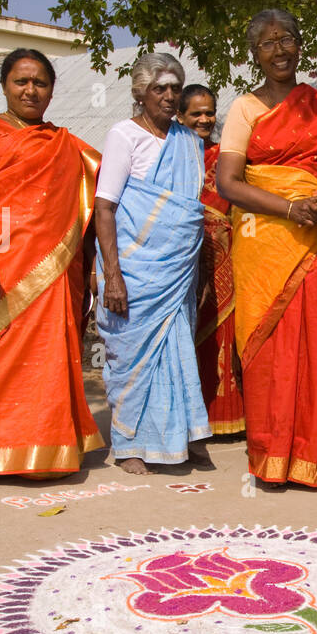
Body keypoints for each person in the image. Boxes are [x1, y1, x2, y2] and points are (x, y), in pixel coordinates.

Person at [0, 48, 104, 495]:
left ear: (52, 90)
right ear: (4, 85)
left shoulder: (65, 144)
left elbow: (96, 195)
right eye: (21, 81)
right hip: (0, 266)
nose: (31, 90)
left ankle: (50, 448)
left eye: (40, 82)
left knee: (50, 359)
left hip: (56, 274)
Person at [216, 9, 317, 487]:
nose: (279, 50)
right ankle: (272, 456)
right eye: (267, 43)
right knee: (271, 346)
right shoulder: (244, 108)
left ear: (300, 46)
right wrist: (290, 208)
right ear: (255, 55)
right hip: (266, 242)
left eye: (287, 40)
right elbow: (227, 182)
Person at [93, 53, 210, 474]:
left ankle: (180, 437)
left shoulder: (189, 142)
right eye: (159, 88)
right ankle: (128, 446)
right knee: (131, 356)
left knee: (176, 350)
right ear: (140, 93)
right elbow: (104, 207)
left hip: (176, 272)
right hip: (133, 270)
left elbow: (188, 213)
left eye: (175, 88)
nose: (168, 96)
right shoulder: (124, 135)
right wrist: (113, 276)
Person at [179, 82, 245, 436]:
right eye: (196, 114)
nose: (204, 119)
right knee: (187, 334)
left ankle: (227, 417)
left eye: (209, 113)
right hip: (183, 256)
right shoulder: (169, 156)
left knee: (224, 334)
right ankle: (192, 417)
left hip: (226, 252)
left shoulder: (224, 155)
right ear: (180, 116)